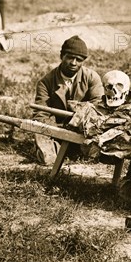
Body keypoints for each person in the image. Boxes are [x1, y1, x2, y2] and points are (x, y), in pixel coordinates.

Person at [32, 35, 104, 165]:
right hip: (58, 132)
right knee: (48, 158)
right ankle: (55, 149)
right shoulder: (46, 82)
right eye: (70, 57)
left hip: (85, 131)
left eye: (79, 59)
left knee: (96, 153)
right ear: (62, 56)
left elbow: (99, 108)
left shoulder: (92, 78)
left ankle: (74, 150)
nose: (74, 63)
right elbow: (40, 115)